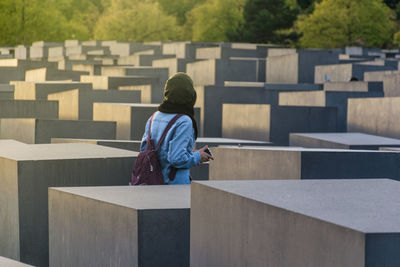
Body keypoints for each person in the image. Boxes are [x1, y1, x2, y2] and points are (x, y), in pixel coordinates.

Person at [140, 72, 213, 184]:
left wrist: (190, 154)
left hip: (152, 184)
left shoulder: (154, 117)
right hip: (174, 187)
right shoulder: (184, 121)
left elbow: (145, 150)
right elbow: (176, 158)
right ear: (190, 96)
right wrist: (198, 156)